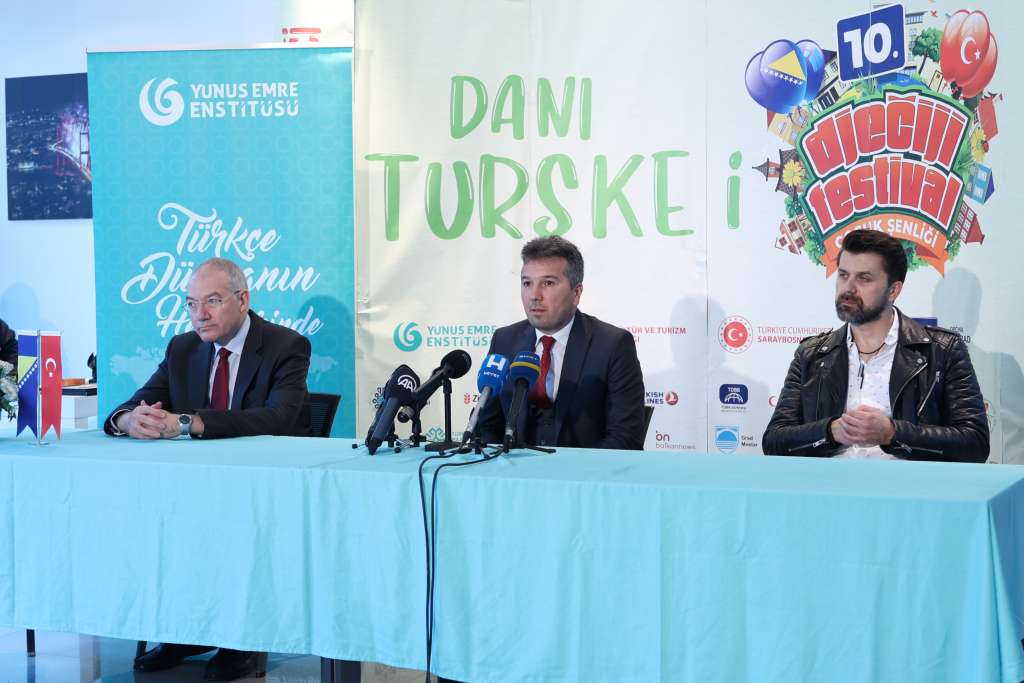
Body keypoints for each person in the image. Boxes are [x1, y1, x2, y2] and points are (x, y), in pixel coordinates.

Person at [104, 257, 311, 681]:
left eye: (212, 301)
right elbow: (135, 402)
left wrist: (189, 423)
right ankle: (185, 631)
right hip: (197, 489)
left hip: (262, 487)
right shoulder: (183, 348)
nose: (200, 314)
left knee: (231, 522)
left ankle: (242, 642)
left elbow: (280, 418)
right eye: (191, 303)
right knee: (161, 519)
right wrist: (129, 420)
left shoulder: (286, 346)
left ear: (243, 300)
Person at [762, 230, 989, 462]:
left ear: (893, 290)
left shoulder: (942, 350)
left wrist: (893, 434)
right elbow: (774, 441)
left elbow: (975, 444)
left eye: (864, 278)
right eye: (843, 275)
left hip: (910, 484)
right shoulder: (811, 354)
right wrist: (830, 432)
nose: (848, 288)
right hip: (829, 484)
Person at [476, 235, 646, 451]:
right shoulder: (504, 340)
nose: (534, 295)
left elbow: (626, 438)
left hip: (585, 470)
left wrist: (570, 469)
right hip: (515, 469)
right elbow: (487, 426)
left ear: (576, 293)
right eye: (527, 283)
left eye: (548, 283)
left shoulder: (613, 345)